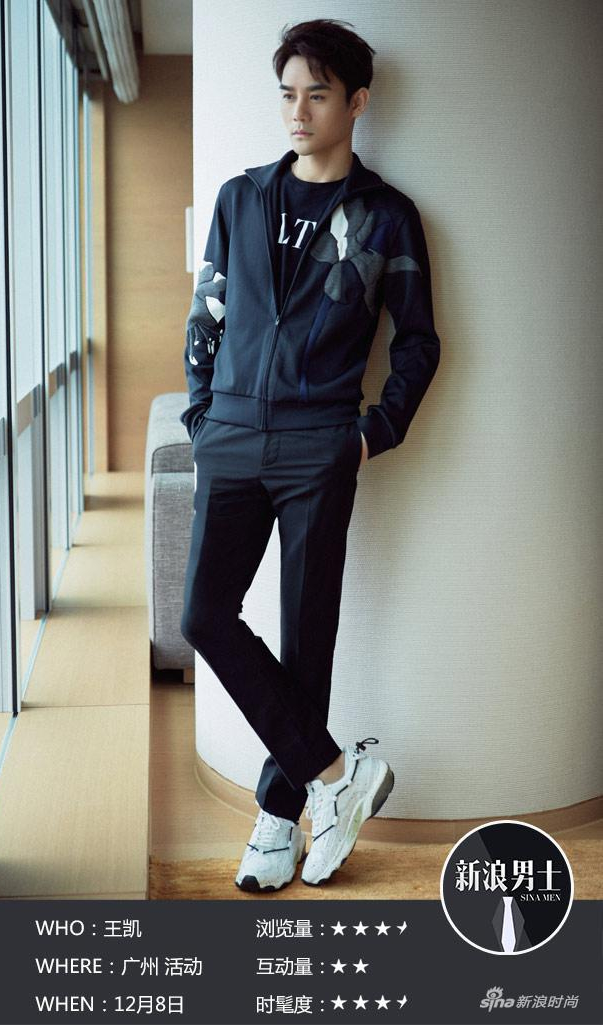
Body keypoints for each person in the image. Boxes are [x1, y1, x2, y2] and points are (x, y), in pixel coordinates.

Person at [180, 18, 440, 891]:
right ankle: (335, 775)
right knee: (204, 616)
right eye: (287, 93)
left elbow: (419, 343)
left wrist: (369, 433)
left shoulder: (388, 217)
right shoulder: (240, 197)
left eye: (317, 95)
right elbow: (209, 311)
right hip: (230, 435)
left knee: (307, 636)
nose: (298, 111)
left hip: (319, 443)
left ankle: (275, 817)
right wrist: (202, 415)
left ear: (356, 102)